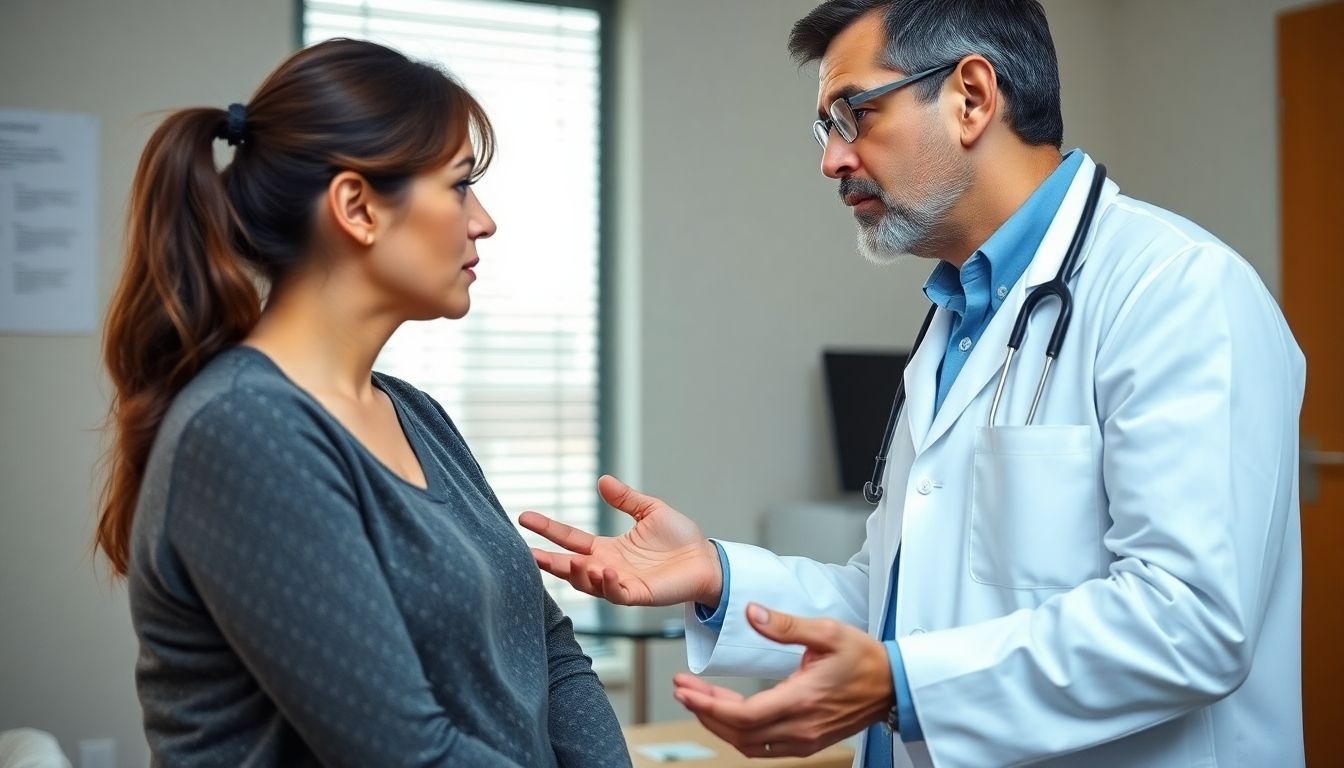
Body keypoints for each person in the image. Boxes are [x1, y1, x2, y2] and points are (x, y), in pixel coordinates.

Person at [520, 1, 1305, 766]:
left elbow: (1192, 621)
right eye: (826, 128)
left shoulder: (1179, 291)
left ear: (971, 96)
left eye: (852, 114)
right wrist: (718, 575)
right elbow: (899, 599)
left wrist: (901, 684)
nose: (831, 159)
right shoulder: (957, 315)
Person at [96, 38, 630, 768]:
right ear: (356, 207)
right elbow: (405, 753)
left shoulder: (417, 416)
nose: (484, 221)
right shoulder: (245, 429)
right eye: (459, 185)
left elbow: (548, 649)